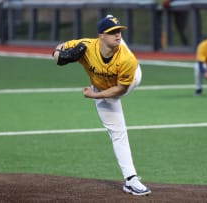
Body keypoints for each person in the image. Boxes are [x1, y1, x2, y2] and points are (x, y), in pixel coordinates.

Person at [52, 15, 151, 196]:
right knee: (118, 132)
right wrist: (59, 56)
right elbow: (58, 49)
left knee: (121, 64)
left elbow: (119, 90)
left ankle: (109, 19)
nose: (117, 35)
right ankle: (131, 180)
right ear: (101, 36)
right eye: (112, 32)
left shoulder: (127, 60)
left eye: (119, 31)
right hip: (100, 86)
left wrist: (95, 95)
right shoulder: (86, 46)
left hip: (129, 80)